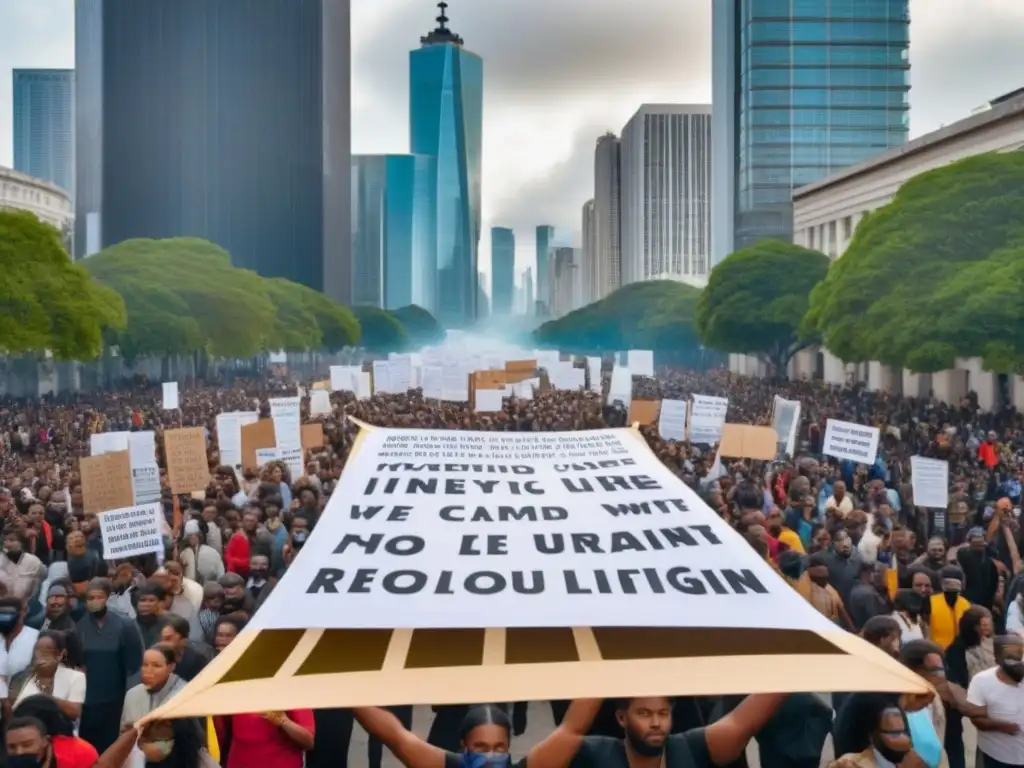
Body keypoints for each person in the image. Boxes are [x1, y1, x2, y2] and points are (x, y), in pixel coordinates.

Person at [525, 695, 787, 768]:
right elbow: (569, 730)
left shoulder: (689, 749)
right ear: (621, 718)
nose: (655, 723)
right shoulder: (595, 754)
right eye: (644, 713)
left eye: (663, 713)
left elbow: (741, 724)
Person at [75, 577, 144, 753]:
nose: (94, 602)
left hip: (115, 701)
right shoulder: (80, 626)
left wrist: (131, 702)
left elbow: (134, 665)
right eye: (90, 598)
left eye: (99, 597)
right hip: (86, 701)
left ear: (107, 598)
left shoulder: (125, 625)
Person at [967, 634, 1024, 767]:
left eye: (1020, 655)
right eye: (1011, 658)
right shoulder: (981, 681)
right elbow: (976, 719)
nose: (1018, 662)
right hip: (996, 757)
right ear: (997, 658)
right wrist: (1000, 726)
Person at [12, 630, 86, 720]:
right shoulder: (24, 677)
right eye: (38, 650)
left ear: (61, 654)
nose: (42, 655)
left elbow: (74, 712)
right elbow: (13, 709)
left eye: (48, 650)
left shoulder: (76, 677)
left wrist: (45, 696)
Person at [13, 694, 99, 768]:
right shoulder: (82, 747)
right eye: (12, 746)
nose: (19, 752)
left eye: (27, 744)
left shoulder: (69, 753)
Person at [827, 695, 912, 767]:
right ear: (872, 736)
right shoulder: (851, 764)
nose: (902, 739)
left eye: (902, 732)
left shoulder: (910, 763)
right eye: (893, 734)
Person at [121, 644, 188, 730]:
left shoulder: (185, 694)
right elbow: (124, 731)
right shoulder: (132, 694)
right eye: (145, 665)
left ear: (171, 667)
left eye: (156, 666)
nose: (149, 671)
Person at [158, 613, 210, 682]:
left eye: (168, 639)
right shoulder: (154, 658)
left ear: (184, 641)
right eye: (161, 639)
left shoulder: (197, 661)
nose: (162, 644)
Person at [929, 566, 971, 650]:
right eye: (948, 584)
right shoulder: (930, 603)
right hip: (936, 651)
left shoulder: (966, 604)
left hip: (962, 652)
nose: (952, 587)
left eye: (956, 584)